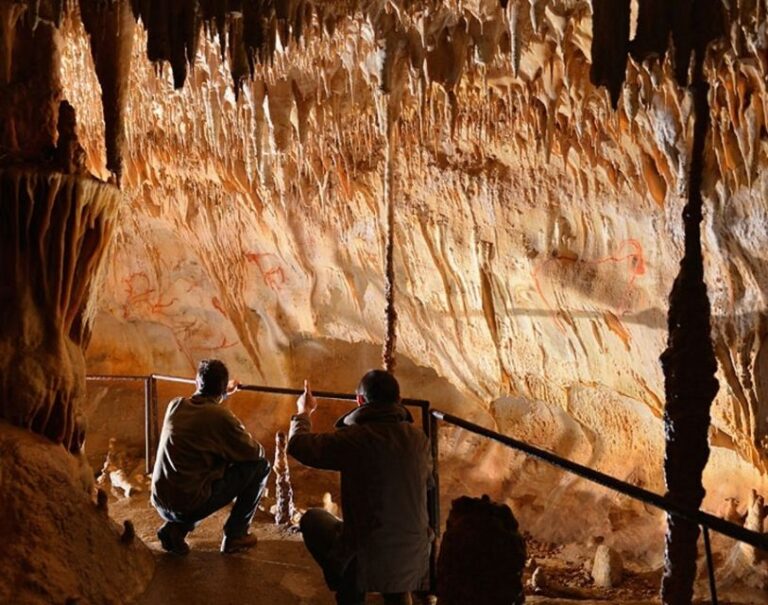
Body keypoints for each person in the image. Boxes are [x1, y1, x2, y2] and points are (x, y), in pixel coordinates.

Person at [288, 370, 433, 605]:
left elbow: (298, 445)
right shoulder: (420, 440)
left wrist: (304, 411)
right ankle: (399, 594)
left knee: (313, 520)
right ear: (399, 400)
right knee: (392, 536)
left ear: (360, 401)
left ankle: (350, 590)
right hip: (414, 555)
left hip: (368, 555)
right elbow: (429, 486)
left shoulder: (355, 438)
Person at [151, 359, 270, 555]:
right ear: (222, 388)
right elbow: (256, 453)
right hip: (186, 505)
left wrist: (221, 393)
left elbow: (203, 410)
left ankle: (175, 529)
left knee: (195, 471)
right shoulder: (220, 417)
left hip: (161, 500)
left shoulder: (176, 405)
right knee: (260, 466)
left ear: (197, 382)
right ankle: (236, 535)